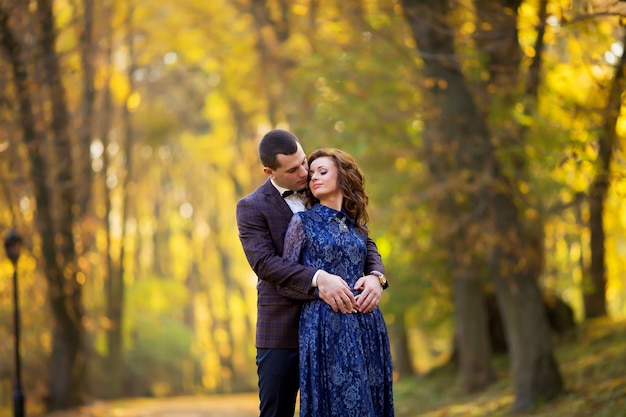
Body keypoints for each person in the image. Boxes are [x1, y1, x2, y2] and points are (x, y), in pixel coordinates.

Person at [236, 129, 388, 417]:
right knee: (277, 412)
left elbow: (362, 239)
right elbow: (265, 263)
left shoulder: (320, 187)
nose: (305, 172)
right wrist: (319, 278)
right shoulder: (251, 207)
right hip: (282, 330)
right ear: (270, 171)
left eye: (304, 161)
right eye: (293, 169)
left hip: (335, 328)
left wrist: (376, 276)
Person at [281, 148, 394, 417]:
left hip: (367, 325)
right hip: (324, 327)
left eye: (323, 171)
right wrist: (319, 289)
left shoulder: (356, 225)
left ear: (342, 177)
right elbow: (287, 280)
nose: (314, 178)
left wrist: (376, 279)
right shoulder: (302, 222)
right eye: (312, 174)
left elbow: (372, 263)